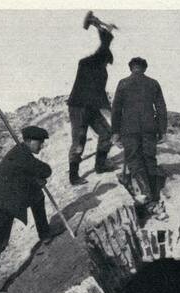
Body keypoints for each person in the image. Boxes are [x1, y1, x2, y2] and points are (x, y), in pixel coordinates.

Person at [0, 126, 59, 293]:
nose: (42, 146)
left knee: (37, 196)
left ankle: (44, 233)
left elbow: (29, 175)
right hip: (2, 205)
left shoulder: (21, 153)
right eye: (40, 142)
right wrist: (38, 177)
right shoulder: (22, 156)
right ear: (29, 141)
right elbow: (45, 170)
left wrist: (36, 180)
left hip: (5, 199)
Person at [110, 57, 168, 215]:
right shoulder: (153, 83)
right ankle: (154, 196)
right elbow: (161, 108)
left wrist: (115, 132)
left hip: (129, 129)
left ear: (131, 68)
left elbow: (116, 109)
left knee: (134, 160)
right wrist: (163, 130)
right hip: (150, 128)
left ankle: (147, 197)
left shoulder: (123, 83)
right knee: (150, 159)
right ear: (144, 68)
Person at [67, 26, 116, 185]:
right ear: (102, 58)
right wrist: (105, 35)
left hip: (91, 108)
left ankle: (100, 165)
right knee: (79, 140)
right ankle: (74, 176)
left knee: (106, 133)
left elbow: (101, 95)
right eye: (106, 62)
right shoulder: (86, 64)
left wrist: (111, 112)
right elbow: (102, 48)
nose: (106, 65)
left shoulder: (102, 72)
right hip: (78, 107)